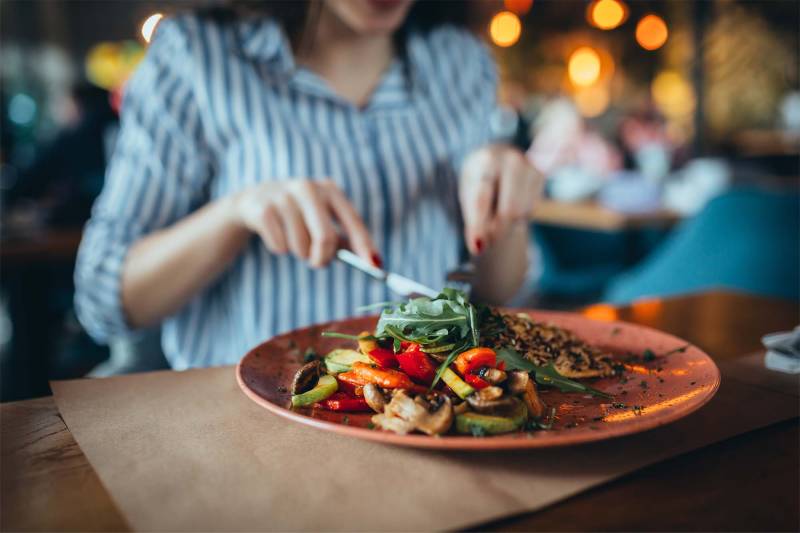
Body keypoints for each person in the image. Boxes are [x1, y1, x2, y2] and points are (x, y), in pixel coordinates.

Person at [74, 0, 542, 369]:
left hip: (430, 420)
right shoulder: (198, 55)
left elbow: (498, 292)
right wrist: (236, 213)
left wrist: (507, 209)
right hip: (248, 427)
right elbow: (102, 299)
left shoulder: (463, 62)